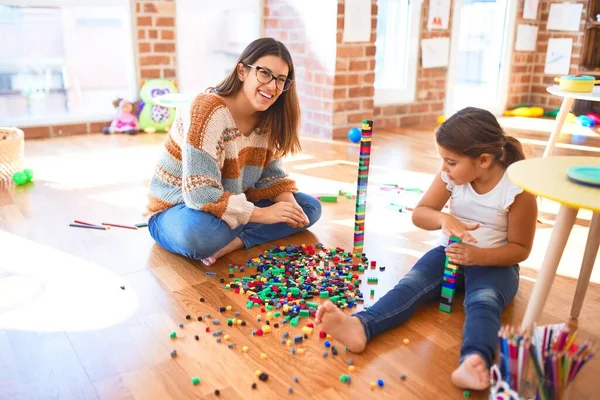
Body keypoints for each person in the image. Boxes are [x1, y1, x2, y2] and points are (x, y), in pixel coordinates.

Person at [315, 107, 538, 391]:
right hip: (449, 254)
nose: (444, 167)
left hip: (495, 264)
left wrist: (479, 256)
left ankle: (475, 359)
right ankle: (361, 326)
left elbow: (520, 249)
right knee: (409, 286)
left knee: (483, 304)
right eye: (443, 160)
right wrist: (443, 218)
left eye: (451, 161)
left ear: (483, 160)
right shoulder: (452, 177)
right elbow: (421, 213)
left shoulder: (517, 190)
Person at [145, 38, 322, 266]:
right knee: (200, 236)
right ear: (242, 71)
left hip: (229, 202)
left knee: (310, 209)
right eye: (264, 73)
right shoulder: (206, 109)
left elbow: (272, 178)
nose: (272, 86)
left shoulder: (269, 118)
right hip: (178, 208)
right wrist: (264, 215)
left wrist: (290, 208)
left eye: (280, 79)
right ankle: (241, 225)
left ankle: (236, 241)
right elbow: (199, 194)